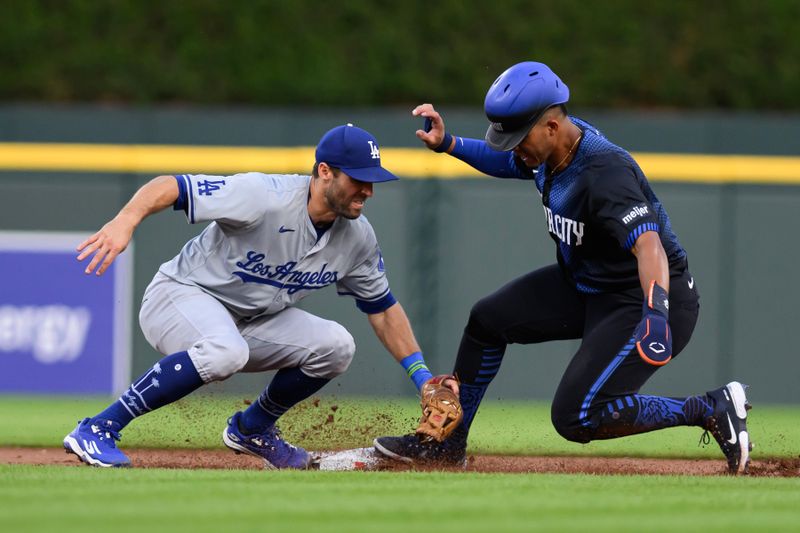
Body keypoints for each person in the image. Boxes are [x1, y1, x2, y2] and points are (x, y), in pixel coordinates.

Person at [373, 61, 752, 474]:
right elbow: (508, 162)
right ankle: (447, 446)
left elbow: (649, 246)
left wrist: (656, 312)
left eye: (518, 138)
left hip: (646, 297)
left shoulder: (604, 170)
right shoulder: (548, 150)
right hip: (588, 285)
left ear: (551, 126)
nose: (513, 147)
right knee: (488, 321)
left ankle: (711, 408)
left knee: (576, 415)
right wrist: (449, 144)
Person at [63, 124, 451, 469]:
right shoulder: (262, 196)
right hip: (181, 296)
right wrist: (125, 220)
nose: (368, 190)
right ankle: (99, 427)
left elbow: (383, 310)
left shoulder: (358, 237)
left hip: (251, 320)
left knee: (336, 346)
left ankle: (252, 429)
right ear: (324, 172)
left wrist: (423, 379)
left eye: (373, 181)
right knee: (225, 351)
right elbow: (171, 186)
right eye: (358, 179)